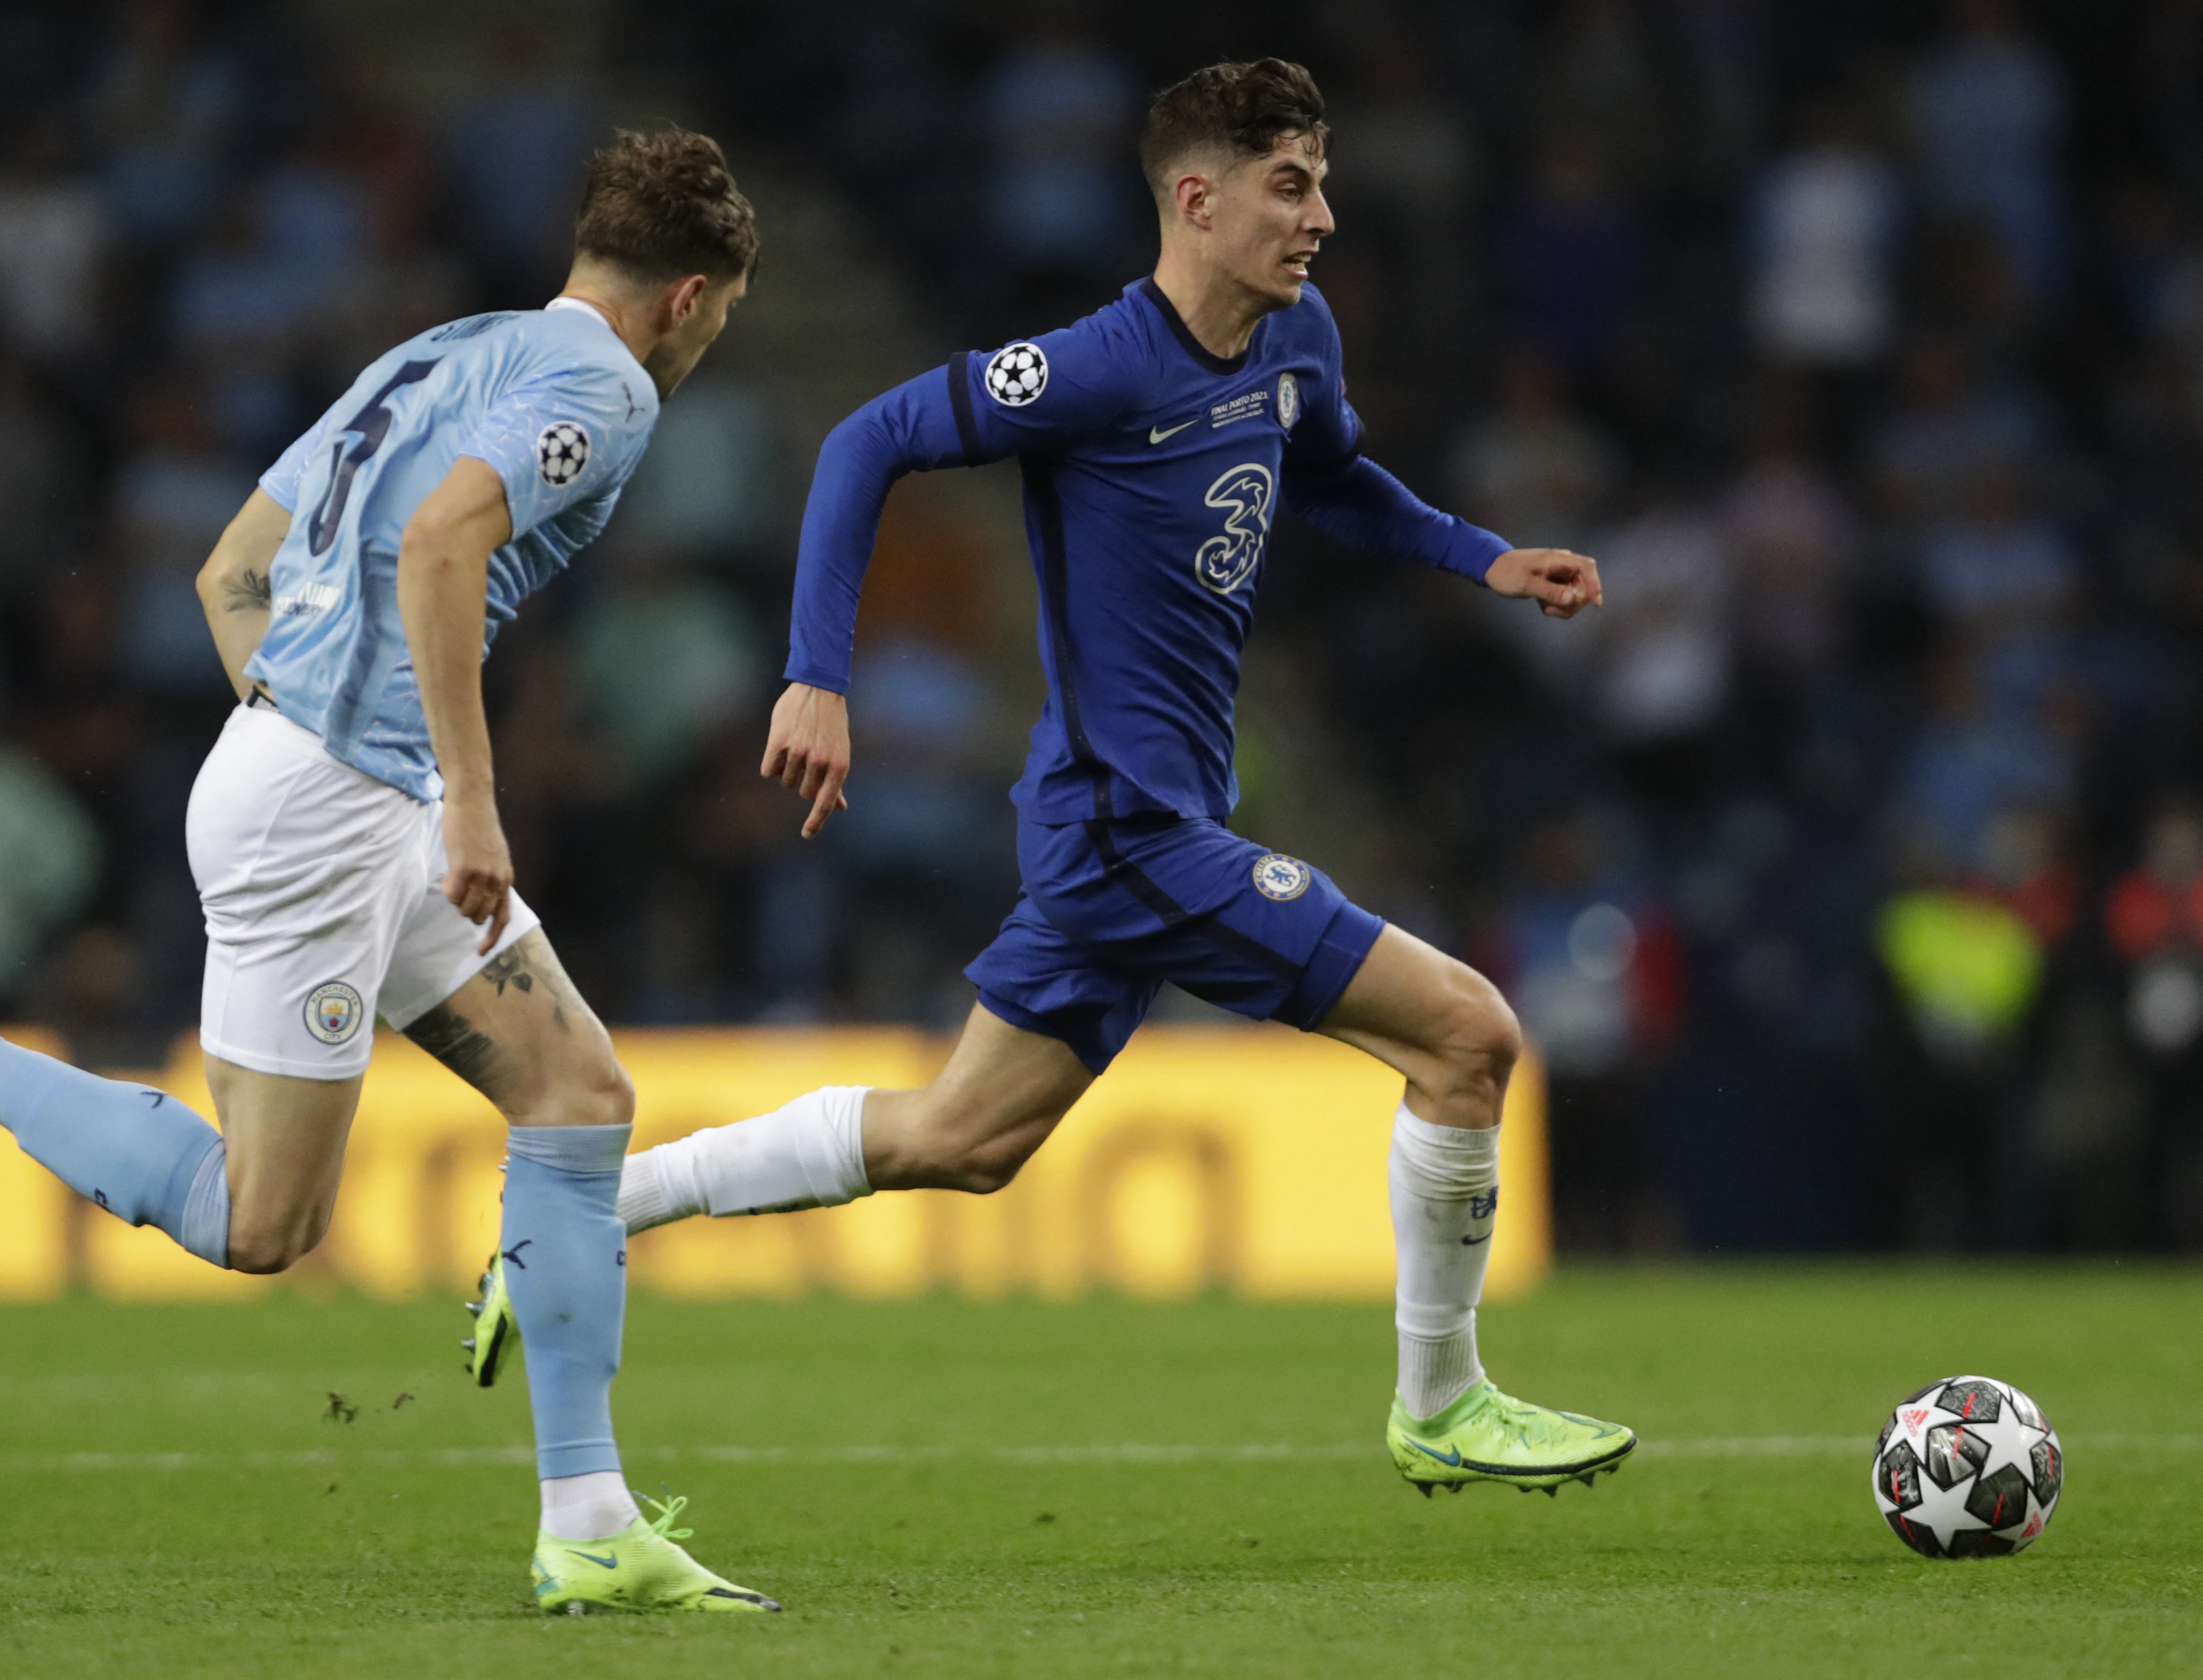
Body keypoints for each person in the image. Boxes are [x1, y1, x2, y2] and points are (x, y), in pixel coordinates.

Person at [550, 60, 1637, 1495]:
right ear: (1195, 198)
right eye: (1288, 185)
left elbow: (1329, 476)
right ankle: (1440, 1399)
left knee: (960, 1137)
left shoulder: (1293, 335)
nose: (1320, 216)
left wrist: (1475, 554)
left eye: (1320, 182)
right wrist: (816, 671)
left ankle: (588, 1213)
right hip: (1127, 827)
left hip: (1135, 825)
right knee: (1468, 1036)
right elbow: (865, 438)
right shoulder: (1094, 367)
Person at [0, 129, 777, 1615]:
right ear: (687, 296)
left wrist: (299, 714)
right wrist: (463, 796)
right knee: (259, 1222)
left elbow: (230, 567)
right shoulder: (607, 386)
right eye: (726, 319)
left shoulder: (443, 351)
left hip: (337, 782)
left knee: (578, 1096)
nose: (711, 345)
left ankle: (589, 1520)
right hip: (345, 805)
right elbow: (438, 544)